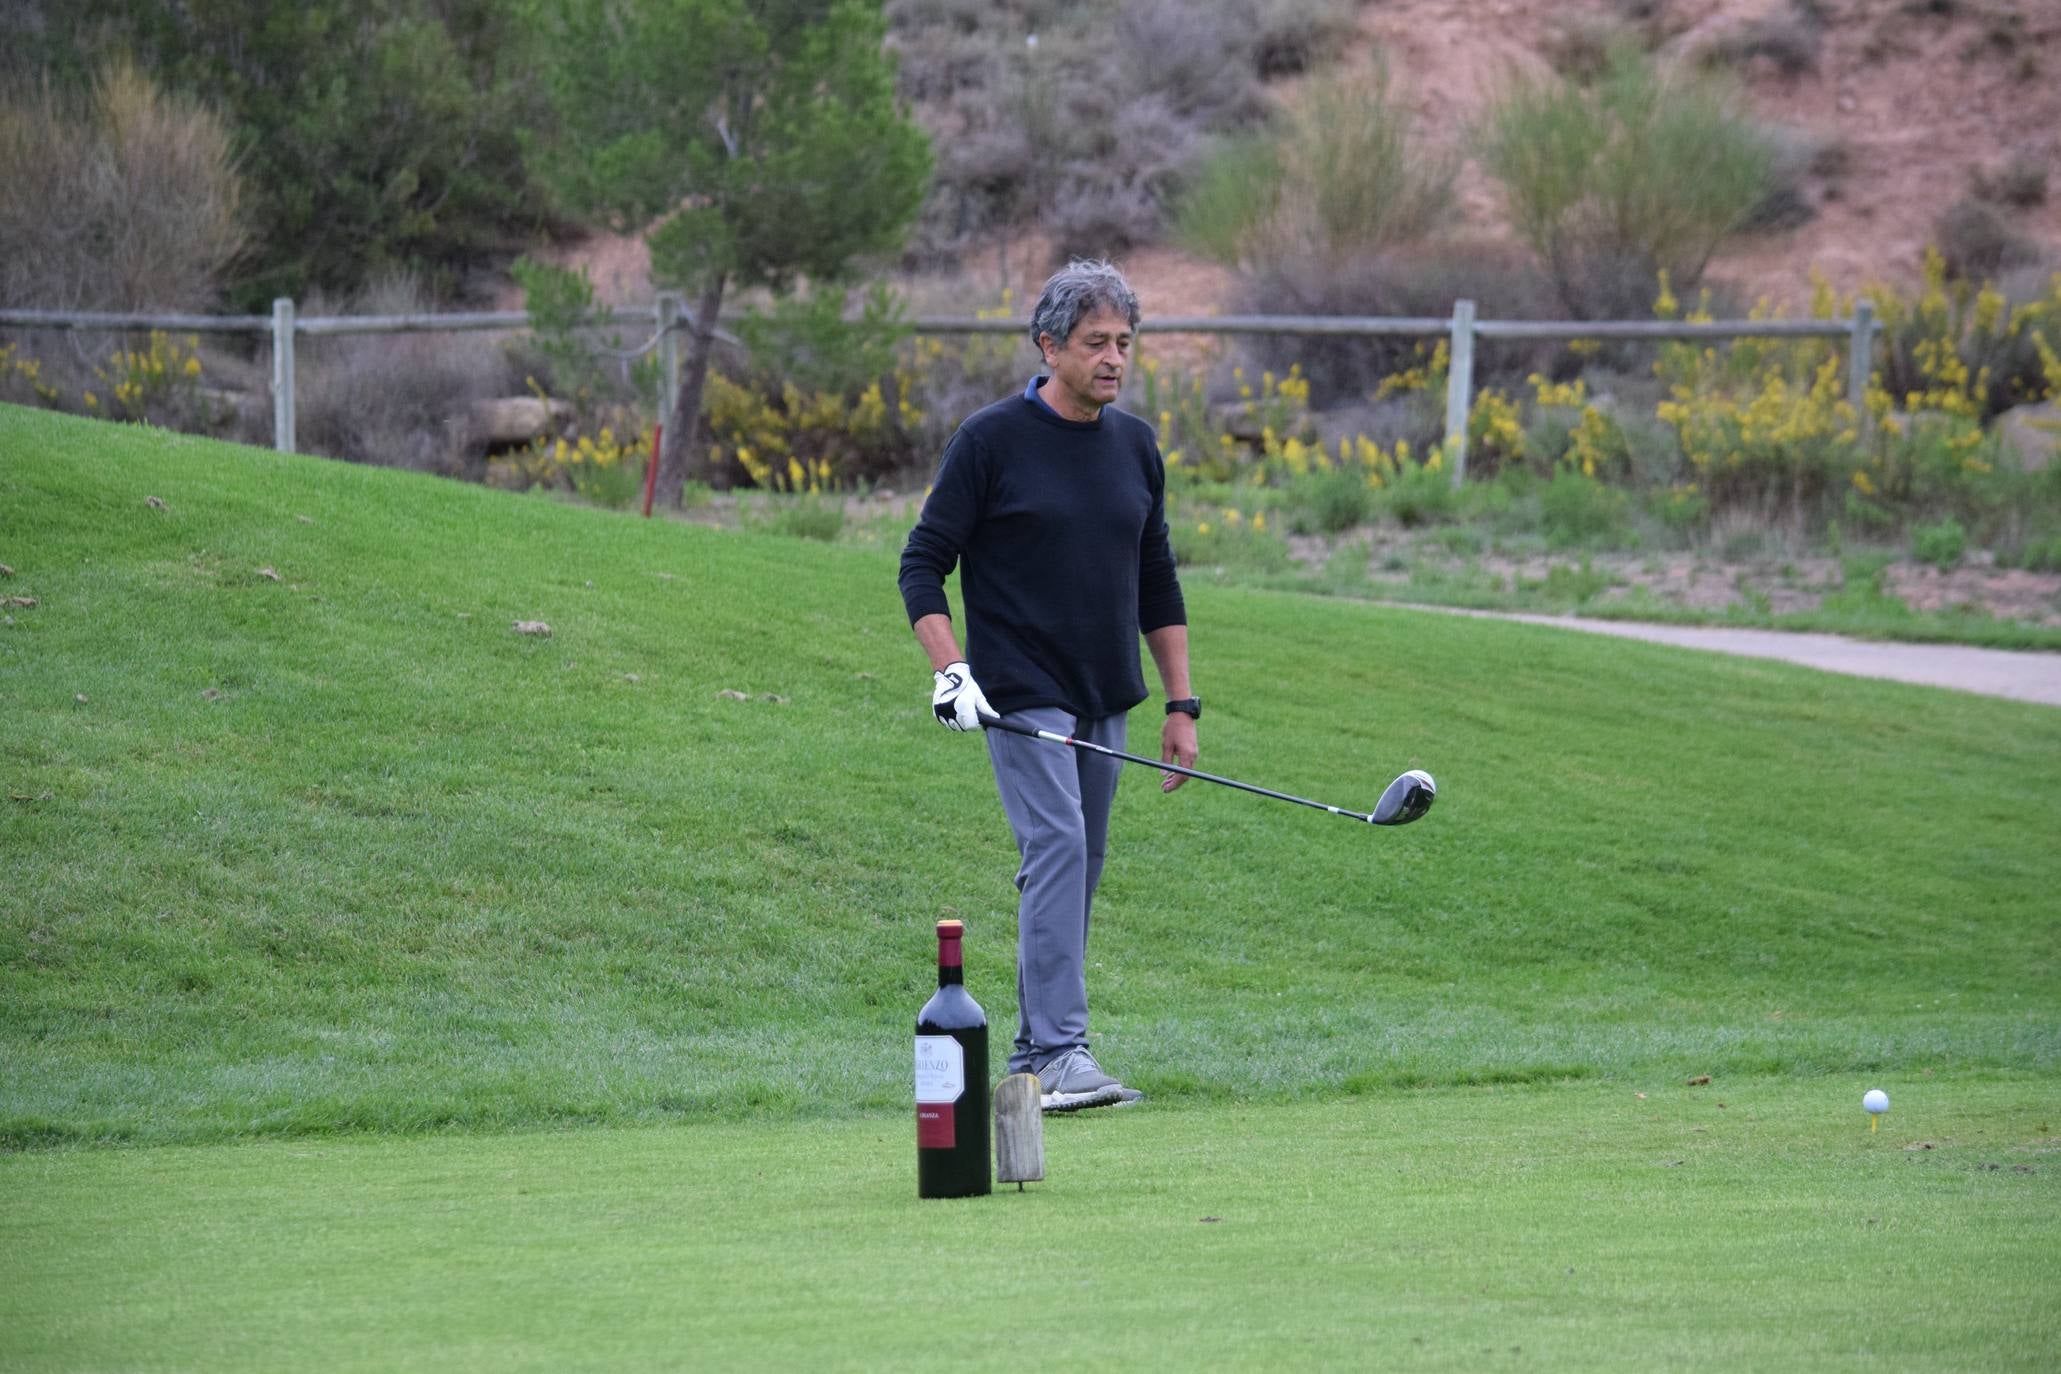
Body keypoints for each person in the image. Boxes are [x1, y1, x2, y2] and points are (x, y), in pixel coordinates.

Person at [898, 259, 1198, 1112]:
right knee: (1059, 848)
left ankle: (1036, 1052)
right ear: (1049, 346)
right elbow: (922, 564)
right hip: (1021, 693)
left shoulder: (1135, 445)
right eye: (1095, 343)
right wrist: (950, 671)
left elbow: (1157, 580)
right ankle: (1064, 1053)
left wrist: (1181, 704)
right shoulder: (990, 441)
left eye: (1124, 343)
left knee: (1077, 863)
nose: (1113, 358)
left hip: (1106, 691)